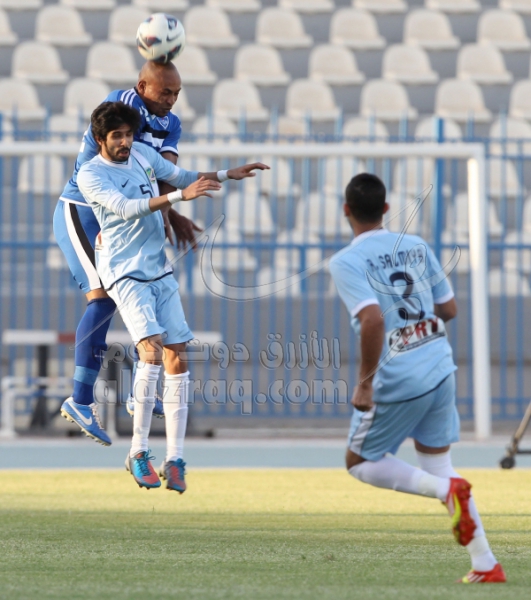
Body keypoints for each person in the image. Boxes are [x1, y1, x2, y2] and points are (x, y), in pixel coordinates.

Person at [76, 101, 268, 490]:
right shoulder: (91, 173)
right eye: (117, 136)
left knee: (177, 356)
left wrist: (227, 174)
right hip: (125, 272)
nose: (126, 142)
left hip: (158, 268)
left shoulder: (142, 155)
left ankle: (175, 458)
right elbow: (126, 208)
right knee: (150, 350)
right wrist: (180, 198)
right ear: (99, 139)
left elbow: (182, 176)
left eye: (129, 134)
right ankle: (138, 452)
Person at [329, 173, 505, 584]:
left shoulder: (346, 261)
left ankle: (447, 492)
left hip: (399, 376)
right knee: (438, 463)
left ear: (346, 210)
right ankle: (485, 563)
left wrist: (365, 382)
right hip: (440, 367)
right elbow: (449, 309)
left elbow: (372, 319)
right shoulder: (416, 245)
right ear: (387, 209)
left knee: (359, 462)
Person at [53, 61, 199, 444]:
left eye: (176, 93)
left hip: (123, 219)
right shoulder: (121, 102)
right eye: (165, 91)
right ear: (143, 87)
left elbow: (162, 176)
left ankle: (137, 391)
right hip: (83, 211)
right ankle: (80, 400)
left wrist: (170, 212)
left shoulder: (172, 125)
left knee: (135, 292)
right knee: (103, 300)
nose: (171, 99)